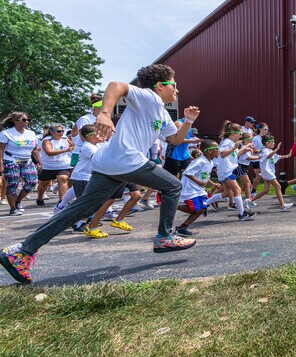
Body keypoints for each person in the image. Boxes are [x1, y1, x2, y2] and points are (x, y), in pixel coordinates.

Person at [0, 64, 200, 284]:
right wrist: (104, 114)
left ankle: (21, 251)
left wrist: (189, 120)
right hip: (126, 159)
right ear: (160, 86)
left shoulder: (161, 111)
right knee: (172, 186)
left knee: (83, 207)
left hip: (109, 162)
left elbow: (175, 140)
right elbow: (117, 85)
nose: (177, 90)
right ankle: (165, 237)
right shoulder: (149, 97)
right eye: (174, 85)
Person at [174, 139, 221, 236]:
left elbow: (204, 175)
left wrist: (212, 184)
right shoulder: (200, 161)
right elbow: (187, 173)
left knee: (202, 209)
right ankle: (172, 205)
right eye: (216, 149)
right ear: (209, 150)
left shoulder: (210, 162)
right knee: (195, 209)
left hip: (198, 189)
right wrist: (198, 182)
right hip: (190, 189)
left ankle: (182, 227)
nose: (218, 151)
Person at [0, 112, 41, 216]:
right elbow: (1, 150)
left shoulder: (31, 133)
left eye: (28, 120)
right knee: (12, 184)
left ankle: (17, 201)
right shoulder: (6, 133)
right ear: (15, 121)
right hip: (11, 160)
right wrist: (1, 165)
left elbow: (35, 150)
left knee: (32, 182)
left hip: (27, 160)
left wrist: (40, 162)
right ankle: (13, 209)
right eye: (23, 120)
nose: (26, 122)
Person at [217, 120, 256, 222]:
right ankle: (242, 214)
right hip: (226, 170)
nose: (241, 136)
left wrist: (244, 148)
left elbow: (235, 155)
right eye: (240, 134)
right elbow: (222, 154)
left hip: (228, 170)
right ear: (233, 134)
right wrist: (234, 147)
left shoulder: (232, 143)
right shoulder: (227, 142)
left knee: (226, 193)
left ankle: (205, 203)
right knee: (237, 190)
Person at [250, 134, 293, 211]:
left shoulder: (270, 151)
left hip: (268, 172)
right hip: (267, 172)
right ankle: (283, 205)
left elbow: (278, 157)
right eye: (272, 142)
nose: (274, 143)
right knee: (278, 187)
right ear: (266, 143)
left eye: (274, 141)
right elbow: (269, 156)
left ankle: (250, 201)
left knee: (266, 190)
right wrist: (276, 149)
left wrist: (288, 155)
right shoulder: (265, 150)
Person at [35, 124, 74, 206]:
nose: (61, 133)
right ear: (52, 132)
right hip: (48, 165)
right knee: (43, 184)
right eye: (59, 131)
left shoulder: (65, 139)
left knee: (63, 178)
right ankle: (39, 198)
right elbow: (49, 153)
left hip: (63, 164)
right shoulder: (47, 140)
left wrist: (72, 150)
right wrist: (66, 150)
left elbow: (72, 146)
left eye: (62, 131)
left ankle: (61, 201)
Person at [69, 93, 103, 167]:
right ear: (95, 108)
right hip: (80, 153)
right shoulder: (85, 119)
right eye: (102, 107)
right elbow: (83, 136)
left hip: (95, 151)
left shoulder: (104, 120)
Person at [249, 122, 269, 199]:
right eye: (265, 129)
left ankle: (255, 190)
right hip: (256, 159)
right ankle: (253, 191)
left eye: (267, 129)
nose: (267, 130)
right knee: (259, 176)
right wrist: (261, 151)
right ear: (260, 129)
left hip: (263, 159)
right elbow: (253, 150)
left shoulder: (265, 138)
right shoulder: (256, 138)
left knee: (262, 176)